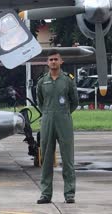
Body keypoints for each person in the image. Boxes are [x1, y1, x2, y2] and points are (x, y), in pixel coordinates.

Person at [36, 50, 79, 204]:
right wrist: (47, 113)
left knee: (68, 159)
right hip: (47, 120)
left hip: (64, 121)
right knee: (46, 159)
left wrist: (65, 113)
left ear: (61, 62)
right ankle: (46, 194)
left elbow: (75, 101)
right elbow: (40, 101)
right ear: (47, 63)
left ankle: (69, 194)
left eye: (56, 59)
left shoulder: (68, 80)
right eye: (51, 59)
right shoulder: (42, 81)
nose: (53, 62)